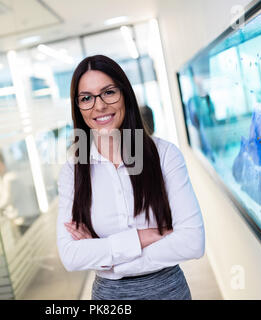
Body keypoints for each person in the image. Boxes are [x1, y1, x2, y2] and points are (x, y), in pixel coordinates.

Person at [56, 55, 205, 300]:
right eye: (86, 98)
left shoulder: (165, 155)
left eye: (109, 92)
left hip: (168, 292)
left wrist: (111, 261)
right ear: (78, 107)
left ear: (125, 94)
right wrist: (143, 237)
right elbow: (71, 256)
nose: (99, 105)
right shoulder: (72, 172)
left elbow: (192, 241)